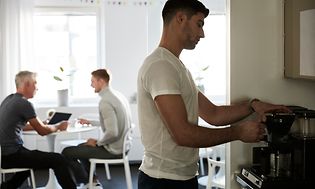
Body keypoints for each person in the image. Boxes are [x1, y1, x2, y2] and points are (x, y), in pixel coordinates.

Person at [136, 0, 291, 189]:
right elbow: (183, 134)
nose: (202, 33)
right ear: (181, 18)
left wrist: (252, 105)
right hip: (162, 181)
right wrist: (238, 132)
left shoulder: (176, 67)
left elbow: (213, 114)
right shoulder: (160, 66)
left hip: (181, 177)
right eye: (199, 24)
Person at [0, 71, 77, 189]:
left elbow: (20, 126)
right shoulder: (24, 103)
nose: (37, 87)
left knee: (28, 164)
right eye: (35, 83)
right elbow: (42, 131)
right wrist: (58, 126)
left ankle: (6, 187)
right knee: (58, 159)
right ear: (26, 84)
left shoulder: (9, 99)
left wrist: (43, 123)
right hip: (11, 155)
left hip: (4, 154)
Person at [62, 69, 132, 189]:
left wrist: (98, 143)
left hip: (114, 150)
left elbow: (112, 132)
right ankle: (92, 181)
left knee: (67, 152)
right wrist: (91, 122)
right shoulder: (118, 96)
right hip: (123, 147)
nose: (91, 85)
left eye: (93, 81)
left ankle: (86, 181)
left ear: (101, 81)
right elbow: (114, 122)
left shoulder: (105, 101)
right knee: (82, 146)